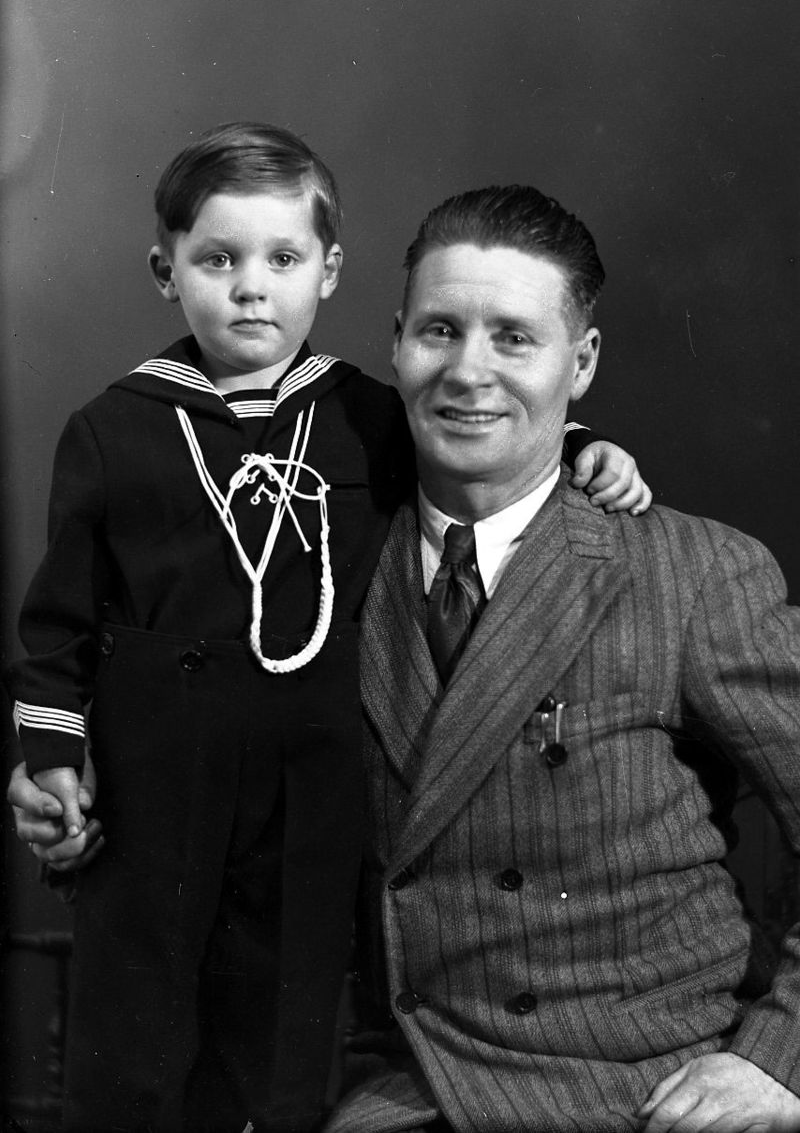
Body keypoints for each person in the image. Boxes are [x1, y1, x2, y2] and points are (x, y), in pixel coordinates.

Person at [4, 126, 649, 1133]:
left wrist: (585, 447)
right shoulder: (112, 427)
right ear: (166, 272)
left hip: (311, 767)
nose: (250, 290)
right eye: (217, 260)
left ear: (330, 271)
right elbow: (58, 623)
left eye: (282, 259)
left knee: (282, 1025)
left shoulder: (364, 414)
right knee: (134, 1025)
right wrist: (52, 758)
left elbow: (480, 436)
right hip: (155, 768)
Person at [316, 186, 800, 1132]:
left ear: (581, 363)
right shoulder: (322, 569)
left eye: (514, 339)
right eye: (441, 331)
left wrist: (781, 1064)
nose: (469, 372)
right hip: (410, 1089)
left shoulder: (694, 572)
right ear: (396, 344)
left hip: (642, 1090)